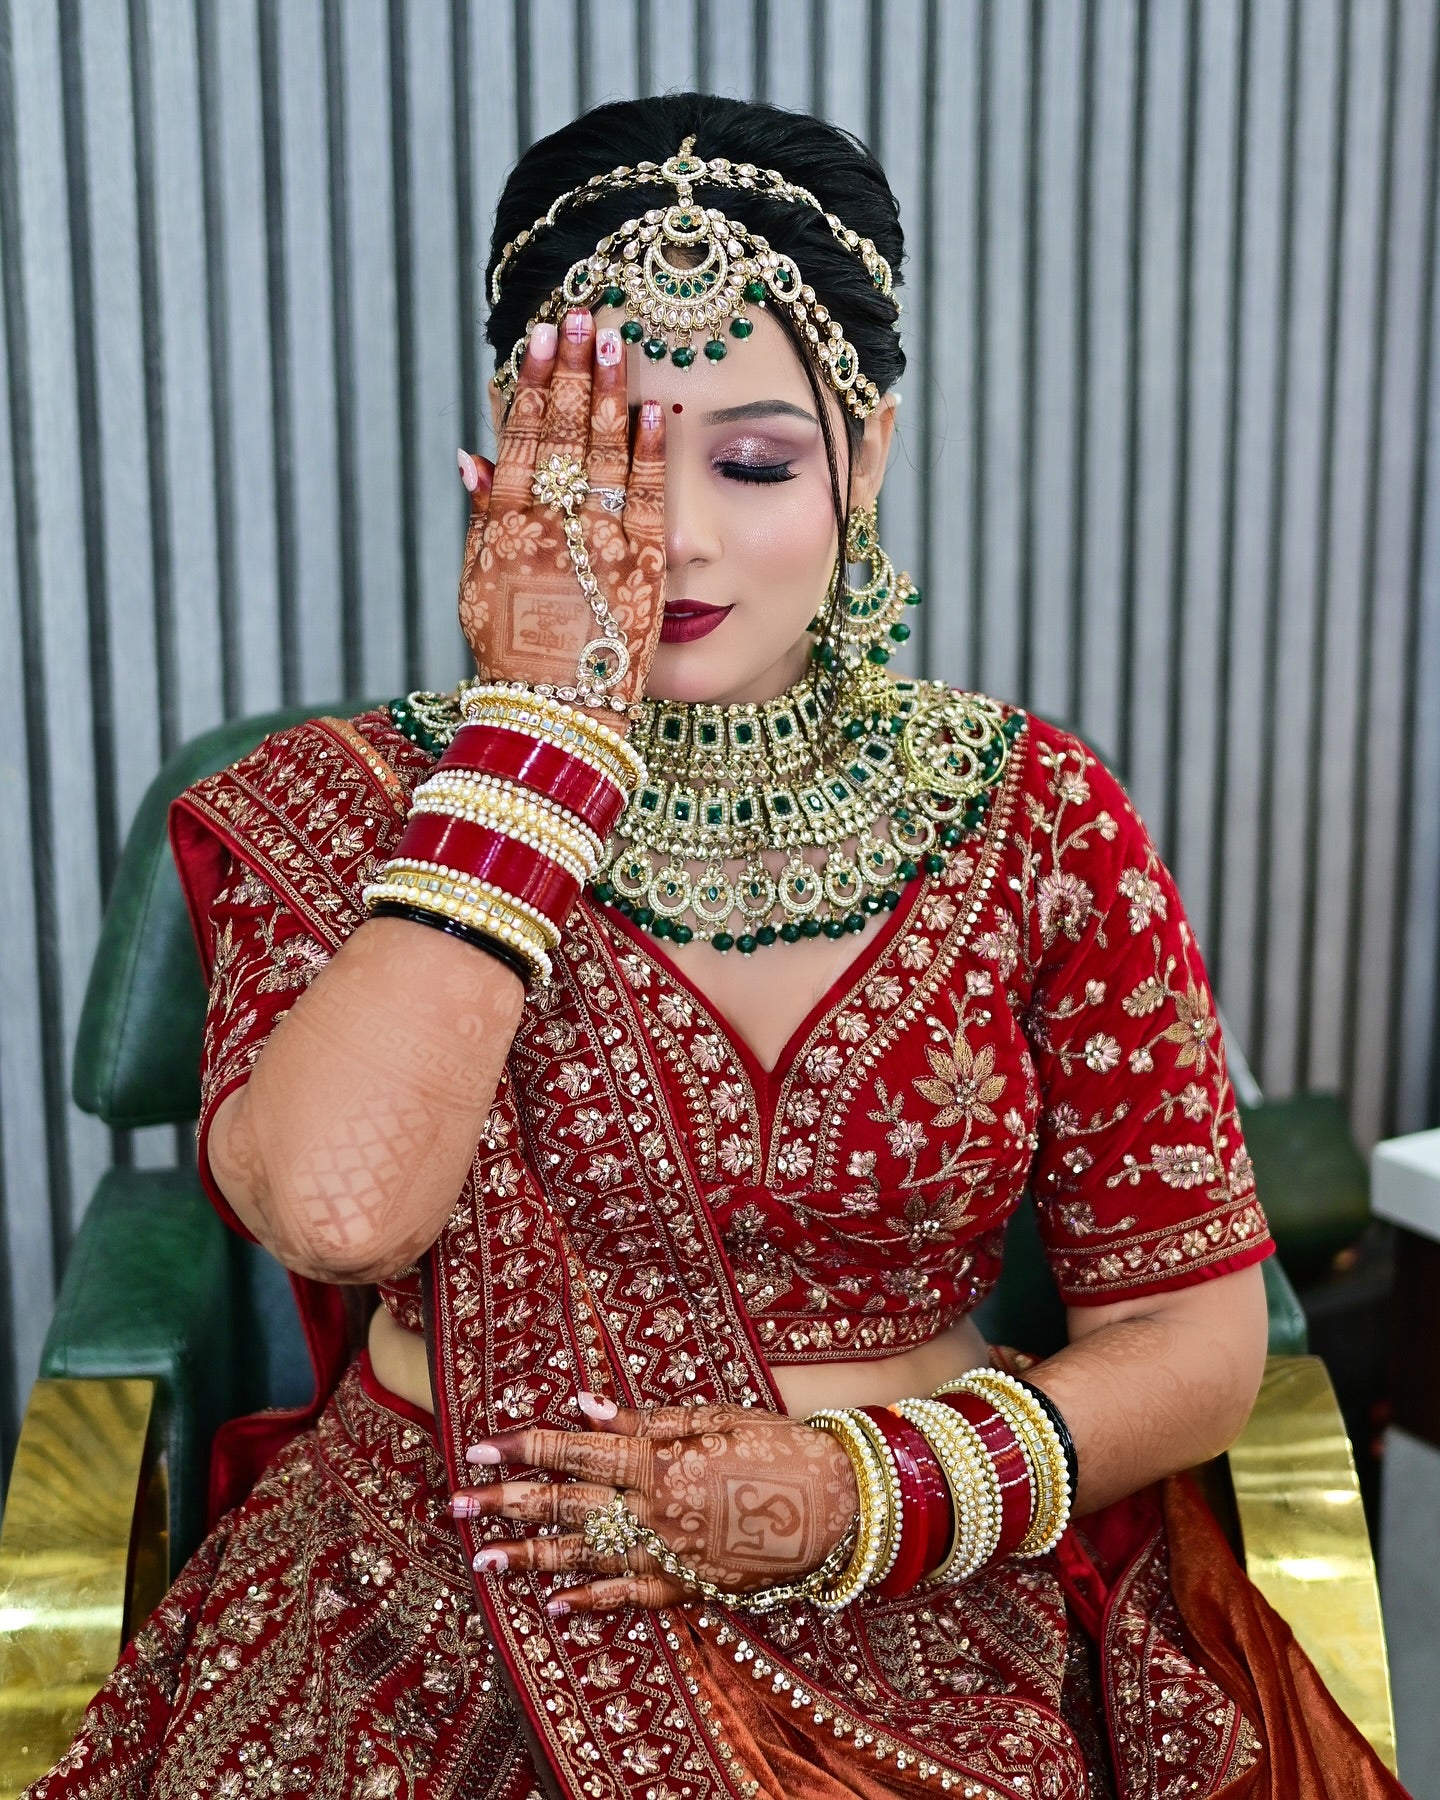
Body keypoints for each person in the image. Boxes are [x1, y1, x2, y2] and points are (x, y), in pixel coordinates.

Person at [28, 92, 1404, 1800]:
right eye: (608, 457)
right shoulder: (351, 803)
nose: (674, 534)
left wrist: (860, 1497)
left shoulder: (1037, 813)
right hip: (425, 1614)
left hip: (913, 1604)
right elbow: (340, 1207)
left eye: (751, 462)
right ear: (507, 455)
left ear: (866, 461)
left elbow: (1196, 1349)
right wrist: (534, 741)